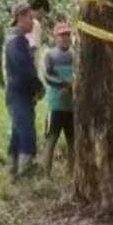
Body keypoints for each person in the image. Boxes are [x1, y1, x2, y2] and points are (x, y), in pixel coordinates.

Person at [5, 1, 44, 178]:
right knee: (26, 131)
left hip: (21, 94)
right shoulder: (16, 42)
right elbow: (24, 70)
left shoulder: (19, 41)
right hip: (18, 94)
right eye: (30, 18)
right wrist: (38, 85)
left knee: (18, 131)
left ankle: (13, 169)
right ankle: (24, 170)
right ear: (20, 18)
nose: (32, 21)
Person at [41, 23, 74, 177]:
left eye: (67, 34)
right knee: (51, 139)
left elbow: (80, 75)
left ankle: (71, 173)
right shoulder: (50, 55)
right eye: (62, 35)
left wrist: (70, 87)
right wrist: (62, 84)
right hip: (55, 104)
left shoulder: (75, 55)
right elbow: (47, 76)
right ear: (56, 37)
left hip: (72, 105)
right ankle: (46, 174)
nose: (65, 38)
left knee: (72, 141)